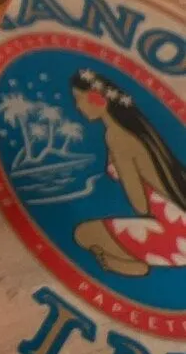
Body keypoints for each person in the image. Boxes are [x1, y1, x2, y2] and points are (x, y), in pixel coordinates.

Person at [71, 69, 186, 276]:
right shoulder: (136, 130)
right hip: (179, 227)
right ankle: (129, 262)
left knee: (83, 234)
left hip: (176, 236)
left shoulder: (118, 137)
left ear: (98, 99)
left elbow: (140, 205)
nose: (77, 107)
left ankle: (126, 263)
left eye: (79, 99)